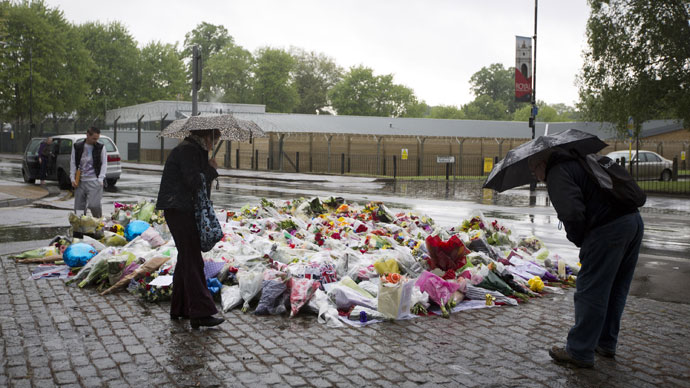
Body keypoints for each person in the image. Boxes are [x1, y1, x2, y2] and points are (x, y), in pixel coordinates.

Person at [528, 147, 644, 368]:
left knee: (591, 289)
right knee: (616, 287)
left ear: (542, 163)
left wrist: (581, 239)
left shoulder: (557, 172)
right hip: (632, 222)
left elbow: (571, 213)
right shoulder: (582, 159)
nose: (534, 176)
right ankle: (606, 342)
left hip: (608, 229)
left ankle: (579, 351)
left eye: (534, 170)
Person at [156, 128, 225, 329]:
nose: (214, 144)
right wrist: (211, 169)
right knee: (192, 258)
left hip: (180, 208)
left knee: (187, 258)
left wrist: (207, 166)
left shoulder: (192, 149)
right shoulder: (188, 150)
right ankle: (201, 313)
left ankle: (180, 308)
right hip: (180, 209)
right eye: (214, 140)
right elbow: (193, 181)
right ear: (206, 137)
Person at [70, 127, 107, 218]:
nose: (95, 140)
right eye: (94, 138)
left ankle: (98, 223)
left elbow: (104, 163)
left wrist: (101, 178)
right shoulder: (77, 147)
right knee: (79, 209)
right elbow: (73, 162)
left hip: (94, 180)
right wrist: (72, 178)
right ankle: (79, 228)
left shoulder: (100, 147)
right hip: (80, 181)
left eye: (97, 138)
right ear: (87, 135)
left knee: (94, 205)